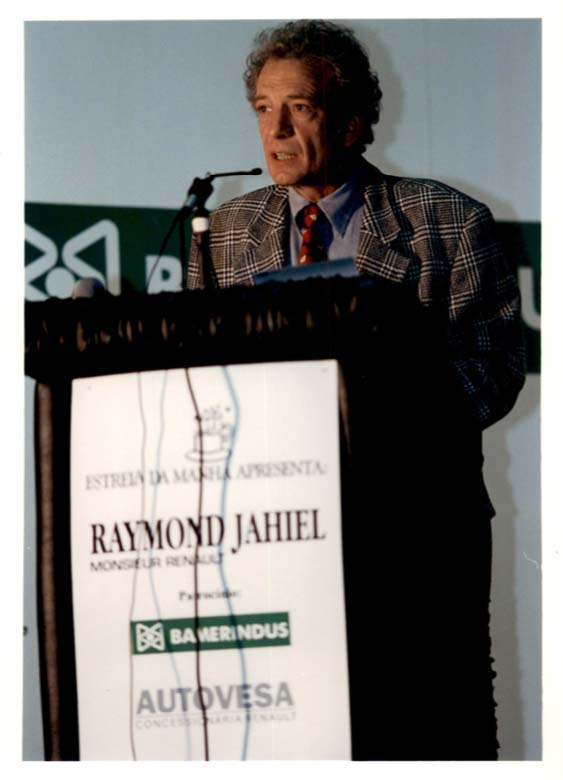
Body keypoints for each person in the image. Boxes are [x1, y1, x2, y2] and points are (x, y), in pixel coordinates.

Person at [189, 19, 526, 761]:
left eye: (299, 108)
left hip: (413, 533)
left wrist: (380, 410)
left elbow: (493, 369)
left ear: (350, 121)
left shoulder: (445, 221)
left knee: (427, 730)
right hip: (273, 530)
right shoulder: (229, 230)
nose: (275, 130)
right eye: (262, 108)